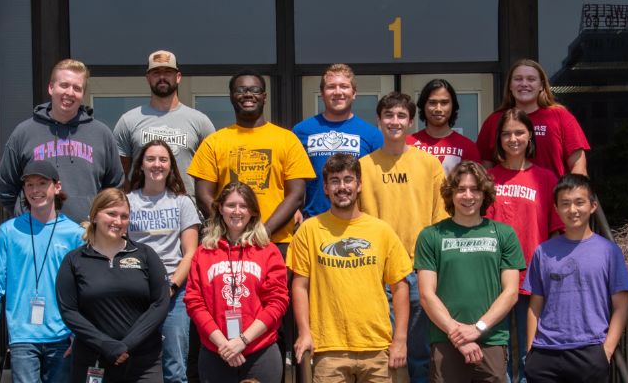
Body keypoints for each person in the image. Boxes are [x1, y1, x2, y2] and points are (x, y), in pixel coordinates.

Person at [287, 153, 413, 383]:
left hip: (377, 349)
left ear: (359, 185)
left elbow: (400, 286)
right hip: (328, 349)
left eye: (348, 180)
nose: (342, 187)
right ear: (325, 188)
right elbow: (300, 286)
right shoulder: (310, 230)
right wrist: (304, 333)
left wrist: (400, 340)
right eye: (335, 181)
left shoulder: (381, 230)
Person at [358, 92, 447, 383]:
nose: (394, 122)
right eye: (388, 115)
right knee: (380, 353)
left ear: (410, 122)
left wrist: (431, 268)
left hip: (416, 270)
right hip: (375, 272)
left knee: (418, 353)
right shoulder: (363, 166)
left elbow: (440, 221)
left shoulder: (429, 164)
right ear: (379, 121)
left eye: (400, 116)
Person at [416, 161, 526, 383]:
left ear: (484, 193)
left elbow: (511, 292)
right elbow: (427, 295)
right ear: (451, 194)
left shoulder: (503, 234)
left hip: (491, 339)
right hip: (446, 339)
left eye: (475, 189)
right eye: (461, 189)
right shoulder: (431, 236)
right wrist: (459, 336)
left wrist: (478, 328)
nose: (468, 196)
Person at [0, 160, 83, 383]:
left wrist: (78, 332)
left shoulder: (74, 234)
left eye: (42, 183)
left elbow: (83, 287)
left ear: (57, 187)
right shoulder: (8, 232)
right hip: (23, 335)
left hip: (63, 335)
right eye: (29, 185)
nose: (35, 190)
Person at [523, 174, 628, 383]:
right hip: (545, 353)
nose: (572, 210)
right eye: (565, 204)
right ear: (556, 209)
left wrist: (606, 350)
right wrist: (531, 352)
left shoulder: (609, 251)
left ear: (592, 206)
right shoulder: (543, 251)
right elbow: (535, 306)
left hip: (590, 351)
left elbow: (621, 305)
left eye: (579, 202)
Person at [188, 70, 316, 248]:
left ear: (264, 97)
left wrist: (262, 233)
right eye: (241, 90)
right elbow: (203, 196)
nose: (248, 94)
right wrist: (229, 231)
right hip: (228, 244)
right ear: (232, 97)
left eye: (255, 90)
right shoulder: (214, 142)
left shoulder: (287, 140)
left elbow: (296, 195)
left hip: (276, 242)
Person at [56, 188, 170, 382]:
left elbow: (160, 303)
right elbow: (68, 311)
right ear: (94, 216)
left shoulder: (145, 254)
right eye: (111, 214)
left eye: (124, 216)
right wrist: (105, 344)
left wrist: (126, 345)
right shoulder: (74, 260)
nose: (118, 221)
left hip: (143, 361)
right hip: (93, 358)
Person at [484, 109, 563, 381]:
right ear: (498, 139)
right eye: (506, 133)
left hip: (533, 278)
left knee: (531, 349)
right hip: (495, 279)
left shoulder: (546, 178)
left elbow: (556, 232)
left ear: (530, 136)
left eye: (519, 132)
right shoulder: (487, 179)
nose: (513, 139)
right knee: (497, 349)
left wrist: (551, 272)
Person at [184, 183, 289, 383]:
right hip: (217, 352)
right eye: (231, 205)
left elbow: (277, 302)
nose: (237, 211)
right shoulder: (204, 252)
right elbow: (194, 302)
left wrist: (242, 341)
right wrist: (224, 344)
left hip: (260, 352)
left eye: (243, 205)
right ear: (220, 209)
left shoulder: (268, 251)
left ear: (253, 211)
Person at [0, 58, 123, 223]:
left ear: (83, 94)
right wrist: (25, 217)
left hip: (86, 235)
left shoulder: (101, 134)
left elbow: (114, 189)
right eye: (64, 85)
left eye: (77, 88)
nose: (70, 93)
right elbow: (7, 187)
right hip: (36, 235)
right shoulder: (24, 133)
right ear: (51, 88)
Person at [123, 140, 203, 383]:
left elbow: (190, 253)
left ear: (171, 166)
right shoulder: (127, 202)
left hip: (174, 293)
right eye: (151, 159)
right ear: (141, 166)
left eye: (163, 159)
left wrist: (170, 288)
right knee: (133, 362)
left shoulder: (182, 202)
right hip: (135, 291)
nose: (157, 164)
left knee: (175, 366)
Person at [113, 50, 217, 197]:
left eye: (168, 72)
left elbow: (212, 174)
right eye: (156, 73)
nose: (162, 77)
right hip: (142, 213)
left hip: (187, 213)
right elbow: (120, 176)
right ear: (148, 78)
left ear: (178, 77)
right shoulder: (128, 121)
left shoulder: (200, 121)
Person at [293, 63, 383, 218]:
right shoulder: (301, 131)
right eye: (331, 87)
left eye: (344, 86)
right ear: (322, 93)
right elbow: (291, 177)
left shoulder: (372, 134)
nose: (338, 92)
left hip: (358, 221)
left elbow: (380, 183)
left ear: (354, 93)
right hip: (314, 220)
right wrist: (295, 209)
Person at [475, 59, 589, 177]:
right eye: (518, 79)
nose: (524, 84)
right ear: (510, 85)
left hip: (551, 193)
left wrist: (575, 193)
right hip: (506, 194)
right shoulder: (494, 120)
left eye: (531, 79)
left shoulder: (560, 116)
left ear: (541, 86)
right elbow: (484, 170)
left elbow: (578, 165)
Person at [408, 79, 481, 174]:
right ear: (423, 105)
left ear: (453, 106)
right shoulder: (408, 144)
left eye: (444, 103)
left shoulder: (468, 147)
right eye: (432, 102)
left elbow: (476, 185)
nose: (438, 109)